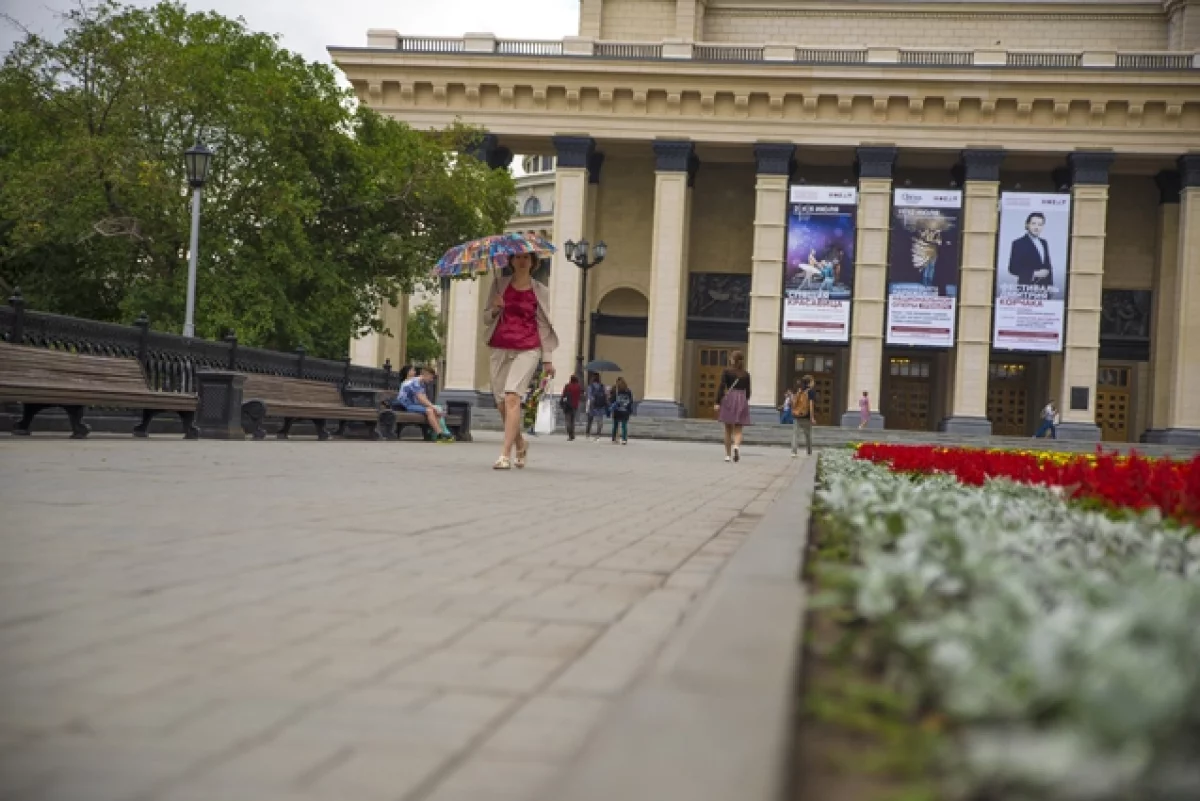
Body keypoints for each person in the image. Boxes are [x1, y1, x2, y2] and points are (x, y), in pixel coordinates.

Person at [484, 251, 559, 470]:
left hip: (528, 348)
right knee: (501, 404)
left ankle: (505, 454)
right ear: (511, 261)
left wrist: (547, 359)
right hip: (500, 347)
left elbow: (544, 325)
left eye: (527, 257)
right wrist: (496, 308)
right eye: (517, 257)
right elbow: (486, 318)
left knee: (512, 397)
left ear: (534, 262)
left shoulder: (541, 291)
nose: (522, 260)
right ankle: (520, 442)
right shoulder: (499, 284)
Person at [392, 366, 454, 442]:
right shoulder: (415, 382)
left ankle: (439, 432)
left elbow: (424, 398)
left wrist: (434, 407)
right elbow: (420, 398)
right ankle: (439, 434)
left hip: (413, 404)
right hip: (406, 405)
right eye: (431, 378)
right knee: (430, 411)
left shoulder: (421, 383)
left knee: (433, 409)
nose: (431, 380)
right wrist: (433, 407)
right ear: (426, 375)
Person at [714, 350, 752, 463]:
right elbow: (748, 391)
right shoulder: (746, 374)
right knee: (739, 429)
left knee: (727, 429)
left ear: (732, 360)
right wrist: (744, 401)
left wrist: (717, 402)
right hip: (741, 399)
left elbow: (721, 386)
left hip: (730, 398)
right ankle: (736, 446)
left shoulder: (727, 371)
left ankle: (727, 455)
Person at [1007, 212, 1054, 287]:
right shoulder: (1018, 243)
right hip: (1026, 288)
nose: (1036, 227)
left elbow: (1048, 267)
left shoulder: (1044, 242)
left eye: (1040, 224)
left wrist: (1051, 287)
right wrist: (1034, 273)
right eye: (1033, 223)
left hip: (1045, 288)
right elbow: (1013, 268)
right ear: (1027, 224)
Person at [791, 376, 816, 458]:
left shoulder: (799, 390)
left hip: (797, 415)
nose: (813, 383)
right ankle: (809, 451)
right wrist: (812, 417)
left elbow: (794, 402)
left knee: (795, 434)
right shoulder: (811, 392)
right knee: (808, 435)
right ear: (809, 382)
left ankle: (794, 451)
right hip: (806, 415)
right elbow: (811, 405)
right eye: (812, 381)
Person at [609, 377, 634, 445]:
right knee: (624, 425)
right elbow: (631, 401)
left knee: (615, 425)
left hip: (617, 410)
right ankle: (624, 439)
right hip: (625, 411)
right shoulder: (628, 391)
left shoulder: (615, 390)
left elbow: (611, 400)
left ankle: (614, 439)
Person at [585, 373, 607, 441]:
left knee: (590, 420)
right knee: (600, 421)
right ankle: (598, 434)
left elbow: (589, 396)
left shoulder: (590, 386)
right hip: (600, 405)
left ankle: (588, 433)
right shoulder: (602, 386)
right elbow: (605, 394)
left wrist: (590, 403)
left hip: (593, 405)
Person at [560, 375, 582, 441]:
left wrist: (561, 403)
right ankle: (572, 434)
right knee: (572, 421)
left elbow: (563, 395)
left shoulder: (567, 386)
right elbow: (580, 395)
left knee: (568, 421)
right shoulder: (578, 387)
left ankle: (570, 435)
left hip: (567, 405)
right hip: (575, 406)